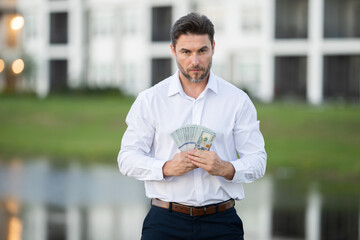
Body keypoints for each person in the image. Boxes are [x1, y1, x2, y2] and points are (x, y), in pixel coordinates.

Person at [118, 12, 266, 240]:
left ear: (213, 48)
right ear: (173, 50)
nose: (194, 61)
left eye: (202, 51)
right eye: (186, 52)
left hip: (221, 222)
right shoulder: (150, 100)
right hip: (164, 222)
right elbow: (126, 159)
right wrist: (166, 168)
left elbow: (258, 160)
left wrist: (227, 168)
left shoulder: (237, 100)